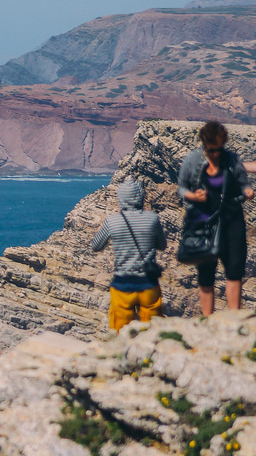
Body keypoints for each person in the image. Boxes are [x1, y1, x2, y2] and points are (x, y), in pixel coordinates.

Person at [178, 120, 255, 315]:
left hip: (232, 218)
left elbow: (242, 181)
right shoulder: (193, 159)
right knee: (206, 270)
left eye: (218, 150)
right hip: (204, 220)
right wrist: (193, 196)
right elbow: (182, 188)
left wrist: (247, 190)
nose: (214, 154)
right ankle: (207, 319)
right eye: (210, 150)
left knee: (234, 267)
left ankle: (234, 317)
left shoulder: (231, 159)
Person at [92, 179, 168, 331]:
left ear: (121, 198)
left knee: (121, 330)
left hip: (122, 285)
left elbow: (96, 246)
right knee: (152, 330)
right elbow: (162, 245)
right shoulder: (152, 219)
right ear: (140, 197)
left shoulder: (112, 221)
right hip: (148, 283)